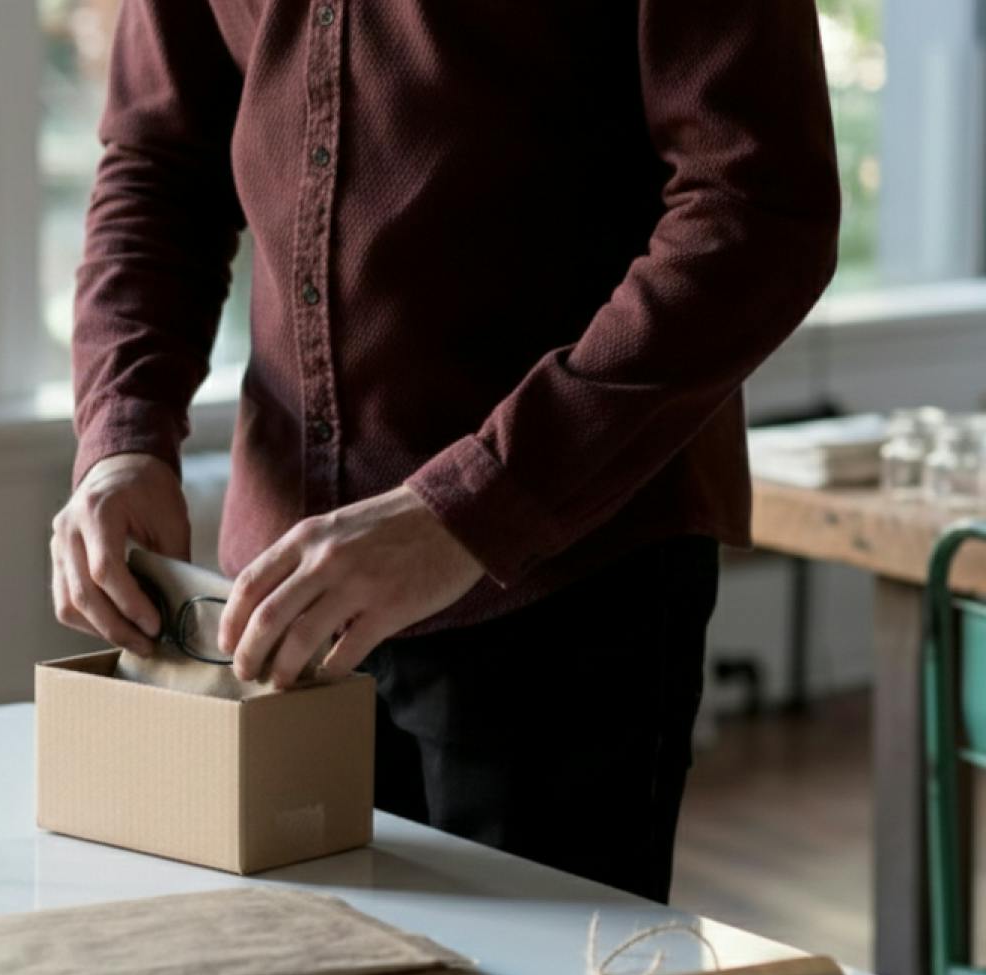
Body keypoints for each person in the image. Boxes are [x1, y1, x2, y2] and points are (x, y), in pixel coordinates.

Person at [52, 1, 840, 902]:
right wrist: (121, 435)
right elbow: (159, 168)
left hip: (564, 591)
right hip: (272, 604)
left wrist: (467, 508)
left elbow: (761, 205)